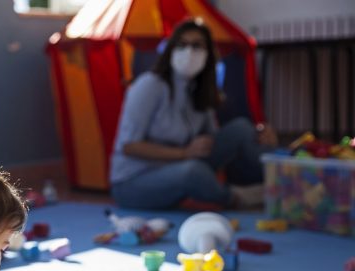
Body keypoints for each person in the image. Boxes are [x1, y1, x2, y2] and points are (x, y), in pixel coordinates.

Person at [110, 18, 278, 210]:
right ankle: (237, 197)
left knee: (241, 128)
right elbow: (129, 146)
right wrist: (184, 153)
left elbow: (214, 140)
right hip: (134, 181)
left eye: (197, 46)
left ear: (207, 54)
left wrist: (257, 134)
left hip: (180, 164)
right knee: (193, 171)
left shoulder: (199, 90)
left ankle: (282, 177)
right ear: (171, 49)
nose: (189, 52)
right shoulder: (150, 85)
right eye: (182, 45)